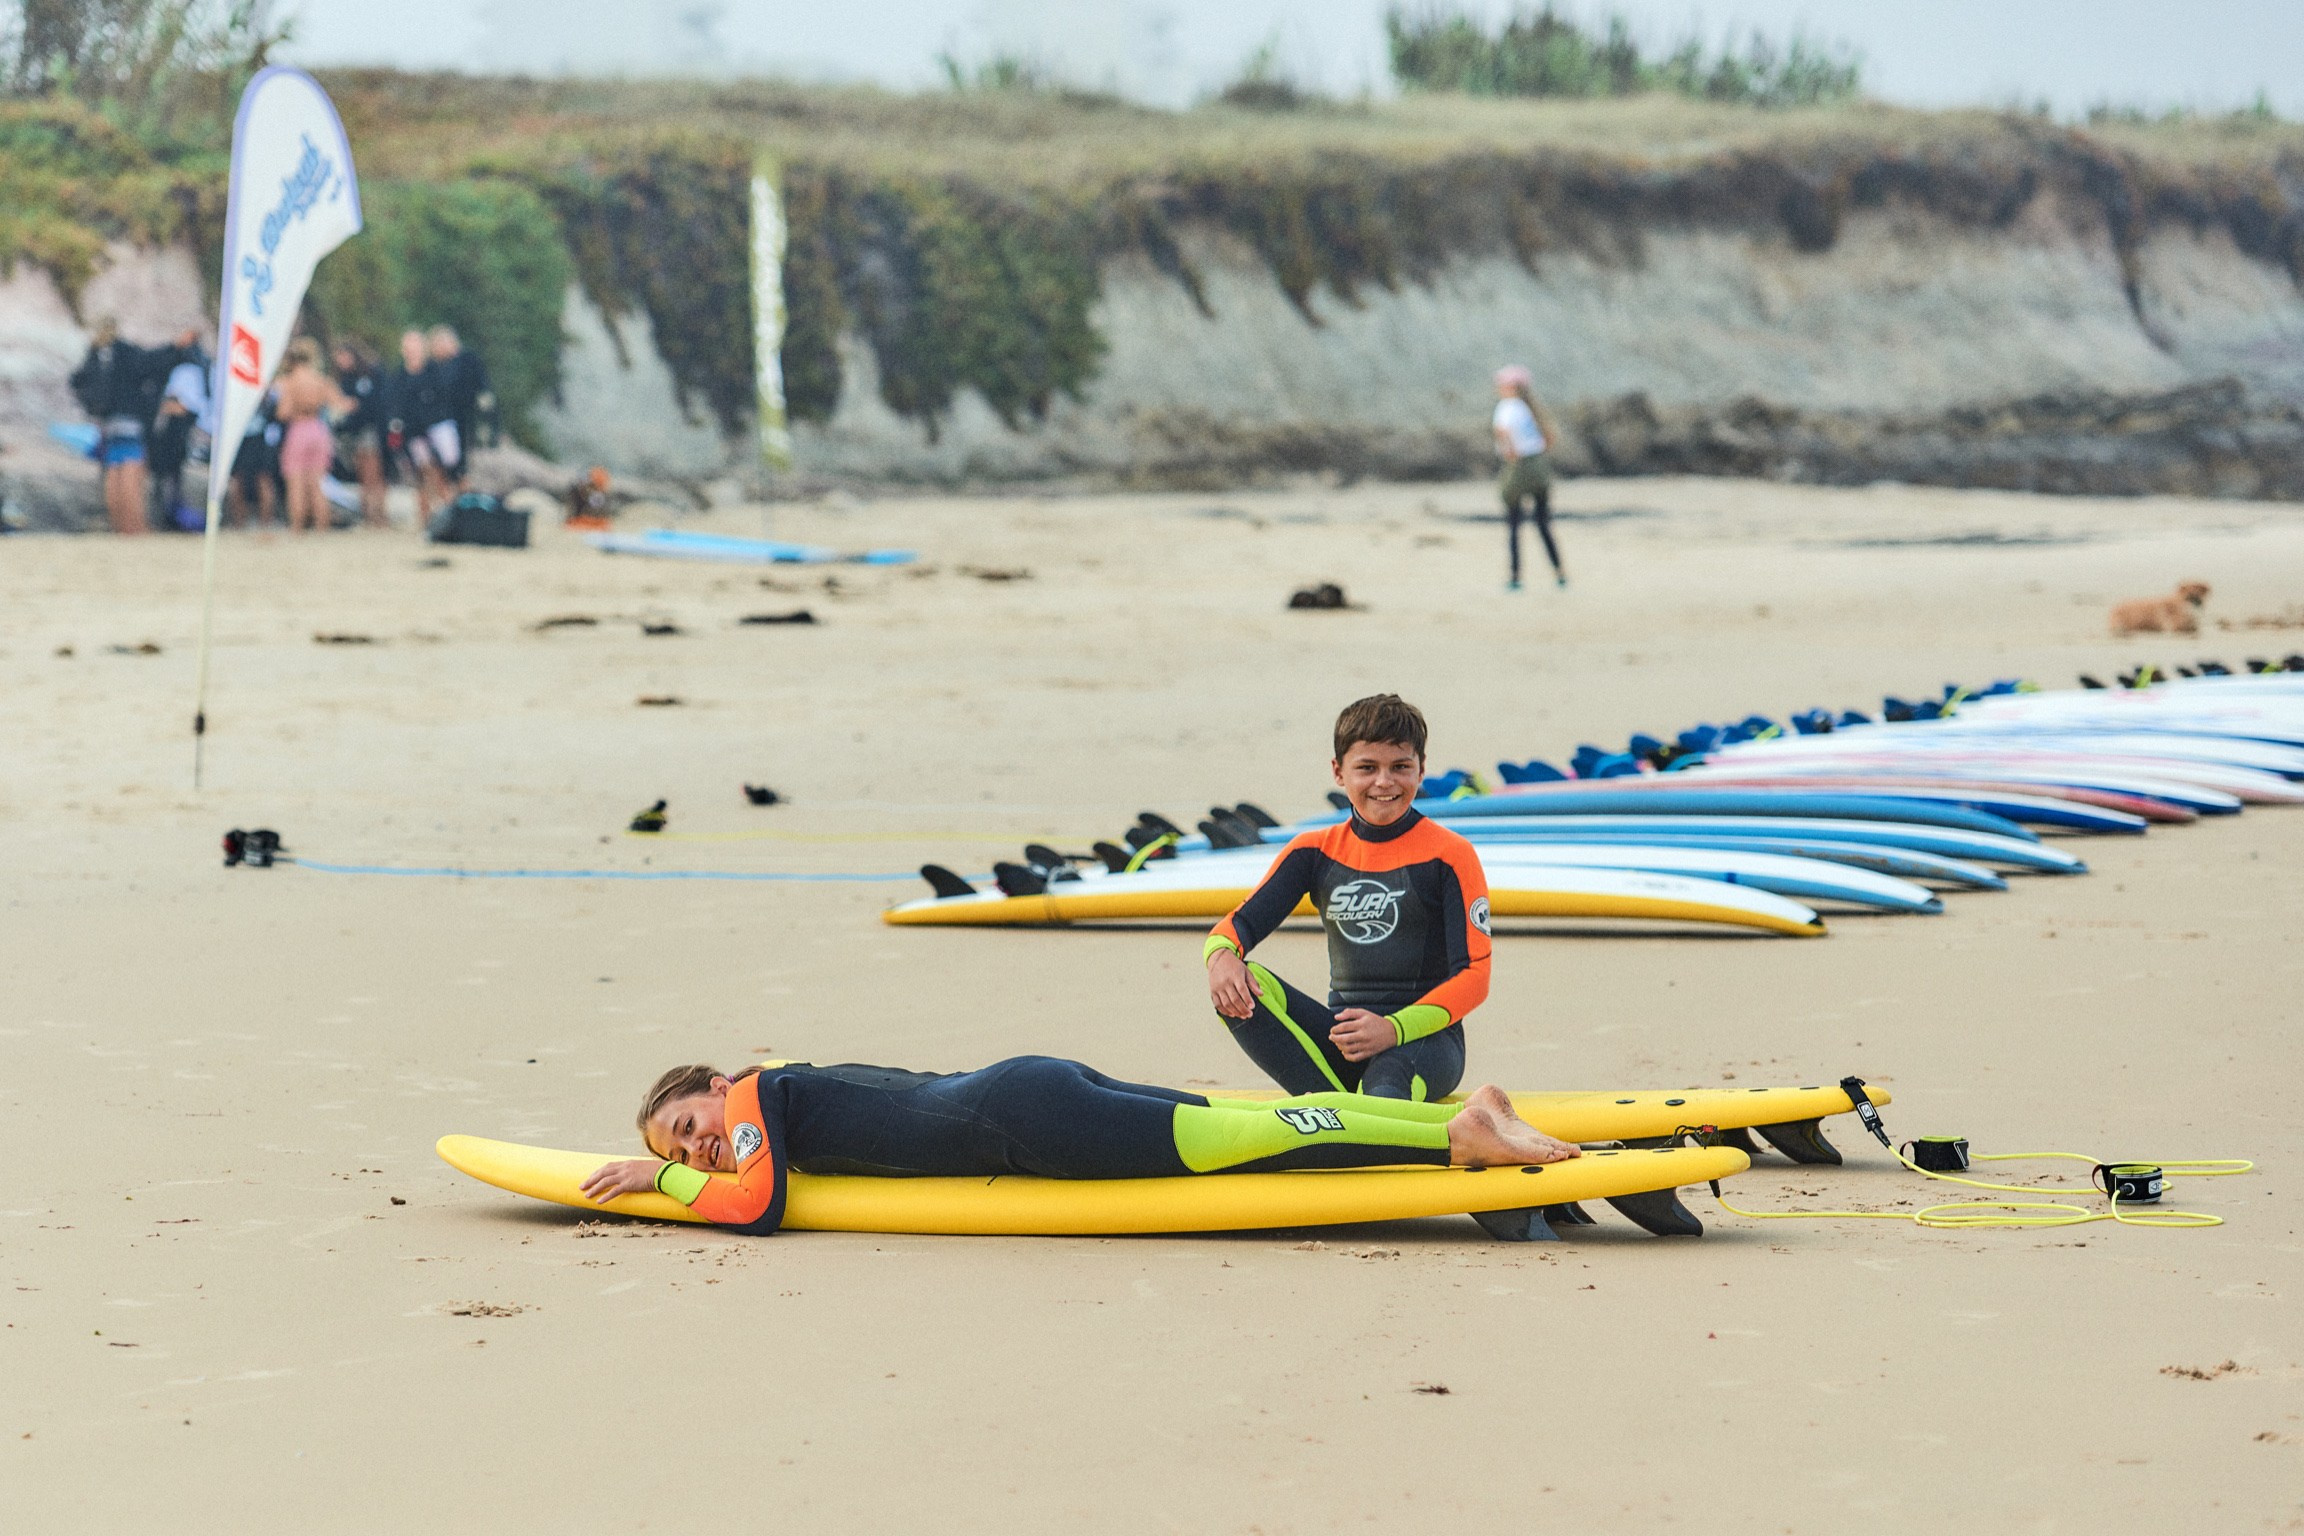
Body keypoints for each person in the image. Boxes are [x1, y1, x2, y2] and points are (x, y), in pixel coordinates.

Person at [576, 1054, 1578, 1235]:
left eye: (688, 1130)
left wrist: (655, 1178)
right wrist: (678, 1162)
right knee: (1245, 1128)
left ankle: (1459, 1134)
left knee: (1254, 1140)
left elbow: (757, 1204)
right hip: (1024, 1089)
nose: (698, 1149)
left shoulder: (754, 1092)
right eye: (682, 1148)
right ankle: (1462, 1115)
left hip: (1027, 1118)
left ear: (713, 1089)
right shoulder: (780, 1096)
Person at [1205, 694, 1489, 1103]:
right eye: (1367, 768)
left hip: (1425, 1043)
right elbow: (1236, 927)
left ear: (1421, 770)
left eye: (1401, 767)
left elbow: (1475, 976)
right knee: (1241, 987)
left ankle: (1349, 1113)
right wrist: (1220, 958)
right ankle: (1341, 1108)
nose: (1384, 782)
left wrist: (1392, 1029)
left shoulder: (1450, 855)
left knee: (1387, 1077)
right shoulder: (1315, 851)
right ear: (1339, 773)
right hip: (1343, 1040)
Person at [67, 317, 155, 535]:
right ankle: (135, 527)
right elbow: (148, 367)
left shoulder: (95, 353)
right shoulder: (125, 352)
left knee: (113, 471)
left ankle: (119, 526)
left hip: (108, 422)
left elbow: (77, 380)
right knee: (131, 472)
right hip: (129, 421)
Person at [1491, 364, 1564, 590]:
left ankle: (1515, 577)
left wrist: (1510, 452)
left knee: (1514, 524)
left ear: (1511, 386)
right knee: (1543, 523)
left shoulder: (1507, 405)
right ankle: (1559, 572)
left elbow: (1502, 431)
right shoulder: (1532, 408)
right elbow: (1549, 437)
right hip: (1538, 465)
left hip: (1519, 466)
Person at [275, 338, 347, 534]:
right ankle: (321, 527)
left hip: (298, 429)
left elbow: (283, 412)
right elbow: (340, 404)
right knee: (318, 483)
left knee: (295, 482)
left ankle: (297, 527)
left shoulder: (289, 382)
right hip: (318, 429)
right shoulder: (320, 379)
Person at [148, 328, 211, 532]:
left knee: (171, 474)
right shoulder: (193, 366)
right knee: (168, 475)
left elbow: (184, 405)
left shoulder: (190, 369)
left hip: (177, 429)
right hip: (174, 429)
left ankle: (171, 516)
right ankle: (167, 514)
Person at [385, 329, 450, 525]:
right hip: (413, 433)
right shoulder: (400, 376)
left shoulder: (435, 372)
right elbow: (395, 405)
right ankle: (426, 518)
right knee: (421, 474)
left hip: (435, 430)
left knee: (441, 473)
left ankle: (448, 514)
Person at [427, 324, 491, 496]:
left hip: (466, 417)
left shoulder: (468, 360)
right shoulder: (433, 367)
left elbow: (482, 388)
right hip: (444, 420)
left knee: (462, 462)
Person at [331, 339, 388, 527]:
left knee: (374, 473)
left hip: (370, 430)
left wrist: (355, 406)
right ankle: (368, 514)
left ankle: (378, 514)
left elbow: (372, 405)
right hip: (356, 432)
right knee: (363, 474)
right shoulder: (346, 379)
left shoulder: (370, 375)